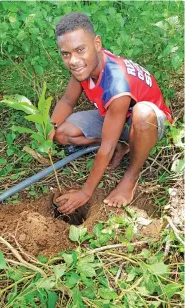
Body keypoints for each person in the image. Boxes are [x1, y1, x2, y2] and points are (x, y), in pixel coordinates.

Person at [48, 13, 172, 215]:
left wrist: (85, 193)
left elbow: (106, 147)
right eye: (66, 54)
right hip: (119, 119)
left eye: (80, 50)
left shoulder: (117, 83)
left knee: (141, 113)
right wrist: (48, 129)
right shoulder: (83, 68)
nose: (73, 60)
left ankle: (130, 178)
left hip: (149, 124)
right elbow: (67, 101)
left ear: (97, 44)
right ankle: (124, 145)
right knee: (63, 134)